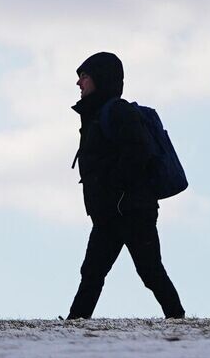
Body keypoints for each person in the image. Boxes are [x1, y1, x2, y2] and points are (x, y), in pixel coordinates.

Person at [66, 51, 185, 319]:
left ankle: (177, 319)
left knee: (150, 270)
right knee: (92, 271)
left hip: (132, 210)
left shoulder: (117, 111)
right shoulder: (95, 115)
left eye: (83, 76)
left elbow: (138, 151)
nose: (78, 83)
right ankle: (75, 324)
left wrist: (115, 188)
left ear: (100, 78)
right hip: (110, 212)